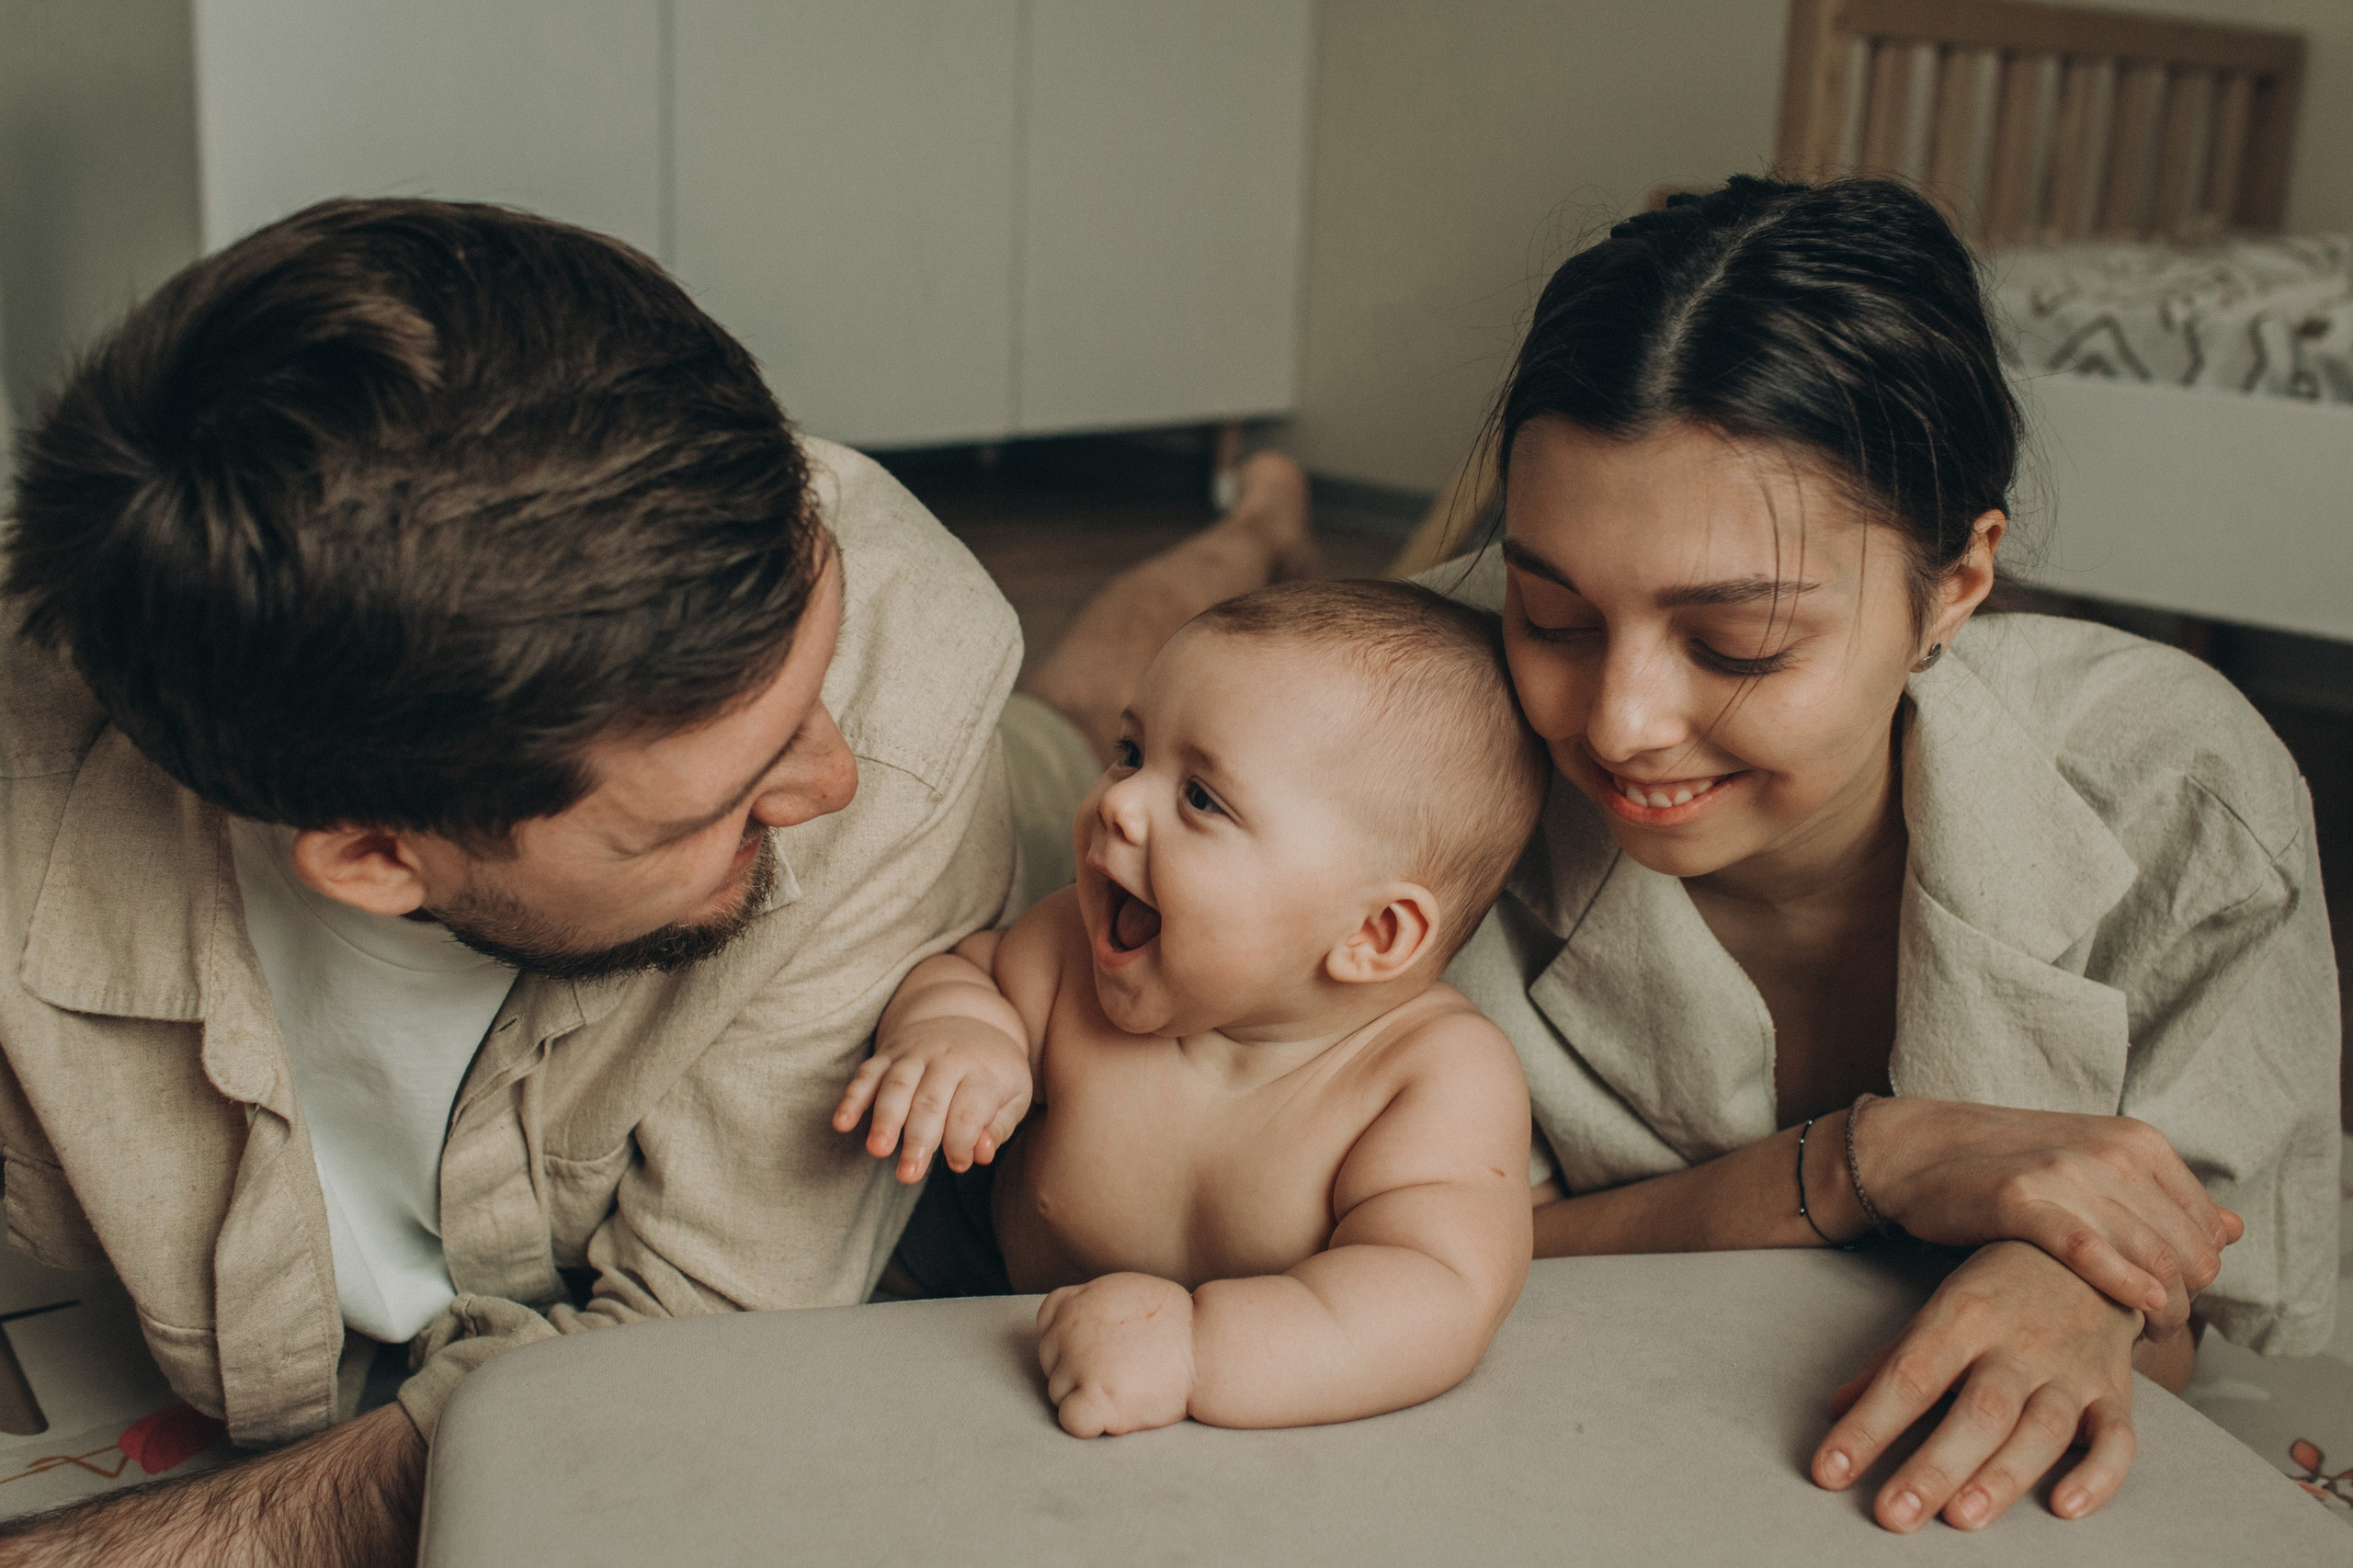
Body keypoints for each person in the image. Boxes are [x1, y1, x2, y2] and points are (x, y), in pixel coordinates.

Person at [989, 176, 2339, 1535]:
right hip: (1215, 722)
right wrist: (1859, 1164)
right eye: (1553, 611)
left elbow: (2221, 1300)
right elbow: (1338, 1246)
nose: (1622, 727)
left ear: (1959, 586)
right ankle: (1240, 536)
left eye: (1737, 643)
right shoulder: (1409, 741)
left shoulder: (2187, 799)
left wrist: (2092, 1280)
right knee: (1071, 725)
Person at [0, 199, 1022, 1564]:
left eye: (811, 676)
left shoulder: (905, 704)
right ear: (372, 856)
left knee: (1151, 709)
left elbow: (684, 1364)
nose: (827, 779)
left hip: (1042, 821)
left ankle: (1233, 544)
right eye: (716, 801)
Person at [835, 580, 1549, 1436]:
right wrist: (958, 1030)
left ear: (1375, 933)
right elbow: (969, 970)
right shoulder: (1068, 957)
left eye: (1202, 798)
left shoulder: (1429, 1080)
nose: (1118, 802)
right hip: (965, 1325)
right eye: (1131, 753)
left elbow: (1436, 1289)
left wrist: (1198, 1353)